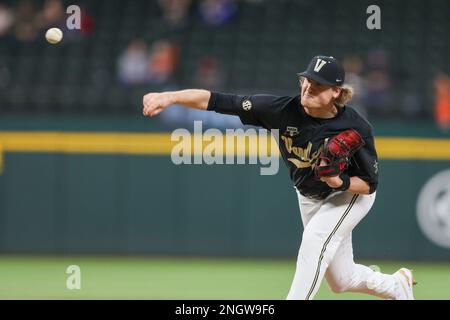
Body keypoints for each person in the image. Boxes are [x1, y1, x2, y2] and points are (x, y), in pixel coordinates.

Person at [142, 55, 416, 300]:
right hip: (308, 195)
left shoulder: (356, 126)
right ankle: (396, 286)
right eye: (306, 81)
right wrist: (171, 97)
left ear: (336, 92)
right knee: (341, 281)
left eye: (318, 85)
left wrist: (340, 183)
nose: (308, 88)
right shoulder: (281, 109)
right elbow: (219, 101)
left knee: (315, 240)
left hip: (349, 193)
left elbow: (369, 185)